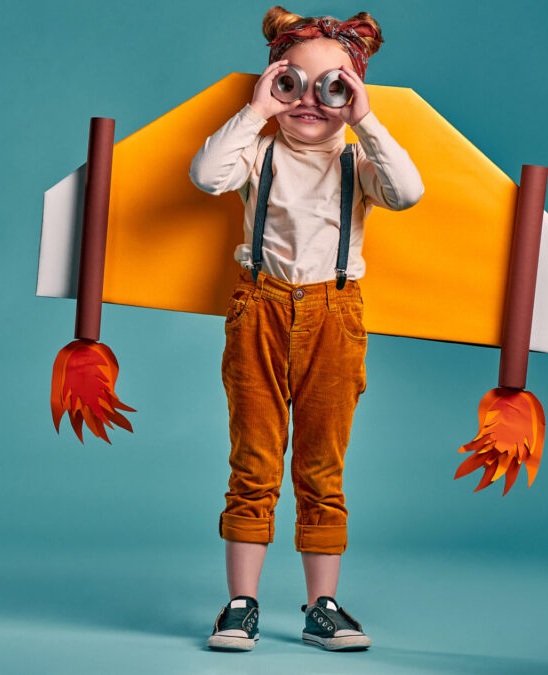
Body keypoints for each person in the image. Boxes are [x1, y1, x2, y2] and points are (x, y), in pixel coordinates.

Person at [189, 5, 424, 652]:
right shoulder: (258, 152)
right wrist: (257, 108)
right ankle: (242, 603)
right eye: (294, 83)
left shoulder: (357, 161)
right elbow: (206, 175)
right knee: (254, 460)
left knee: (323, 466)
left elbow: (408, 191)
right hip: (259, 308)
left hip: (335, 315)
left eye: (334, 86)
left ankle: (323, 604)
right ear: (273, 85)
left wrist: (365, 118)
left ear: (353, 93)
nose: (312, 101)